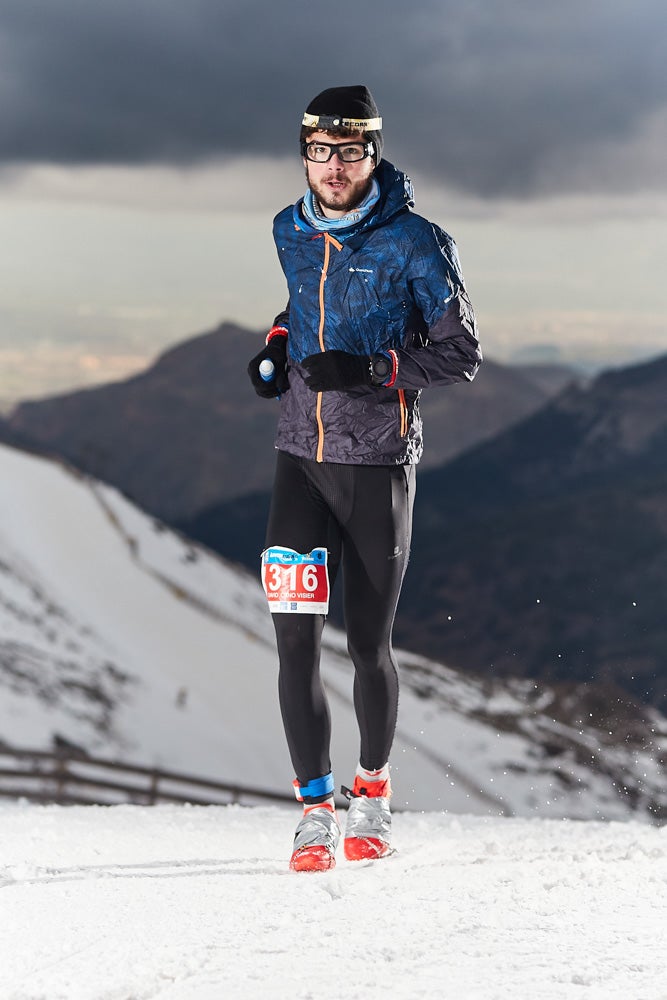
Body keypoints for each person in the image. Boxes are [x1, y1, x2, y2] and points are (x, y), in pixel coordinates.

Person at [248, 85, 481, 872]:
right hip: (298, 462)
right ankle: (315, 812)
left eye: (348, 152)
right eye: (320, 152)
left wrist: (374, 369)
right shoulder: (288, 228)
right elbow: (299, 301)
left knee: (369, 648)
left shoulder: (417, 241)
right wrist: (277, 343)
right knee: (293, 644)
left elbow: (459, 353)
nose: (333, 167)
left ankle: (371, 798)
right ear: (305, 154)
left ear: (371, 154)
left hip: (377, 464)